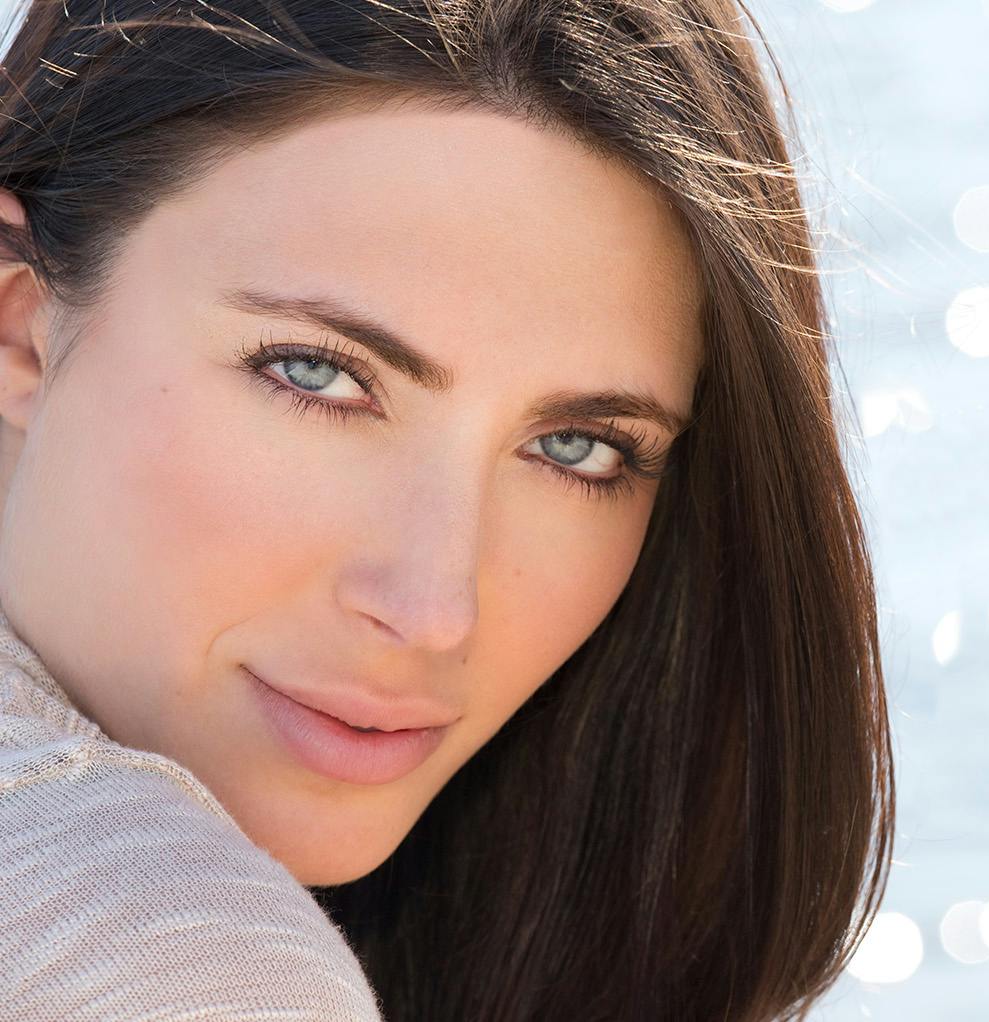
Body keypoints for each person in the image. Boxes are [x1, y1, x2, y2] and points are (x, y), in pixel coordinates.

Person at [0, 1, 895, 1019]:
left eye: (577, 447)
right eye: (317, 374)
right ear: (20, 324)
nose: (433, 609)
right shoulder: (166, 958)